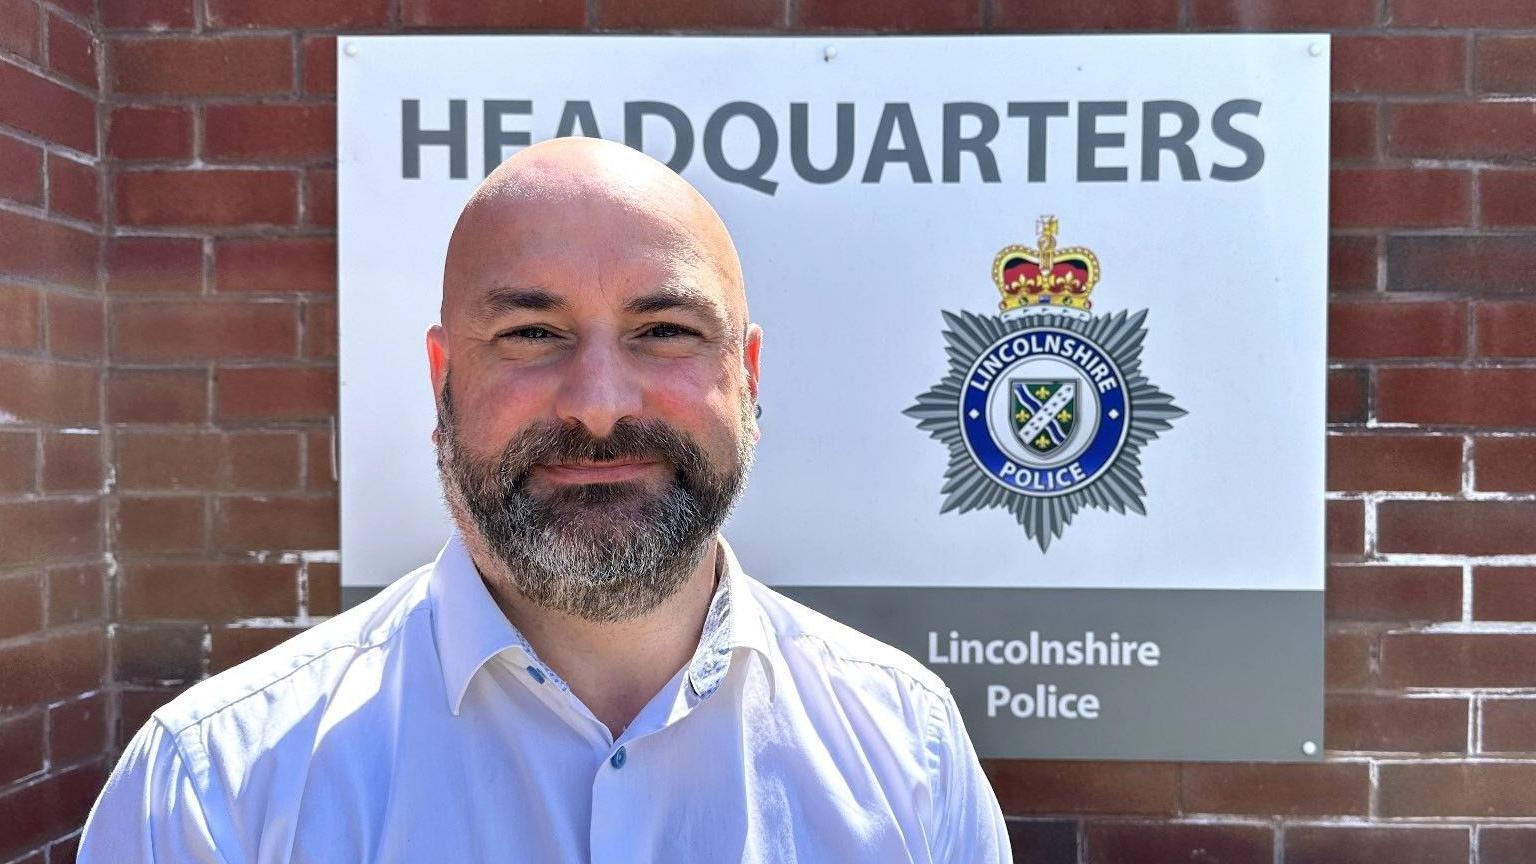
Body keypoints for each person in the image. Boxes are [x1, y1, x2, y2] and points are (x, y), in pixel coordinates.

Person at [78, 137, 1010, 862]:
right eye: (530, 332)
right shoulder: (216, 789)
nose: (600, 405)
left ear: (748, 375)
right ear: (443, 379)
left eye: (666, 329)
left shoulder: (908, 752)